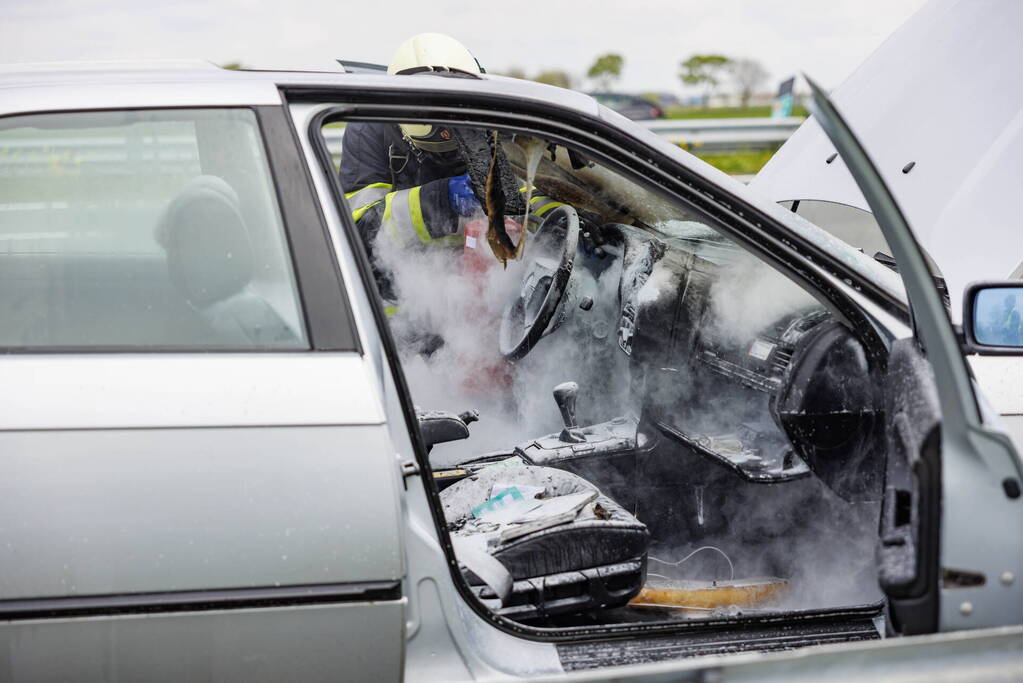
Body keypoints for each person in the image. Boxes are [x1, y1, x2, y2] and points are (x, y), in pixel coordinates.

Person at [339, 33, 563, 282]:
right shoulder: (368, 130)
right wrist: (440, 200)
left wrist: (556, 221)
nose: (447, 156)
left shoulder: (492, 126)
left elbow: (532, 192)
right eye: (433, 148)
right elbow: (358, 232)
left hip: (491, 285)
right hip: (402, 294)